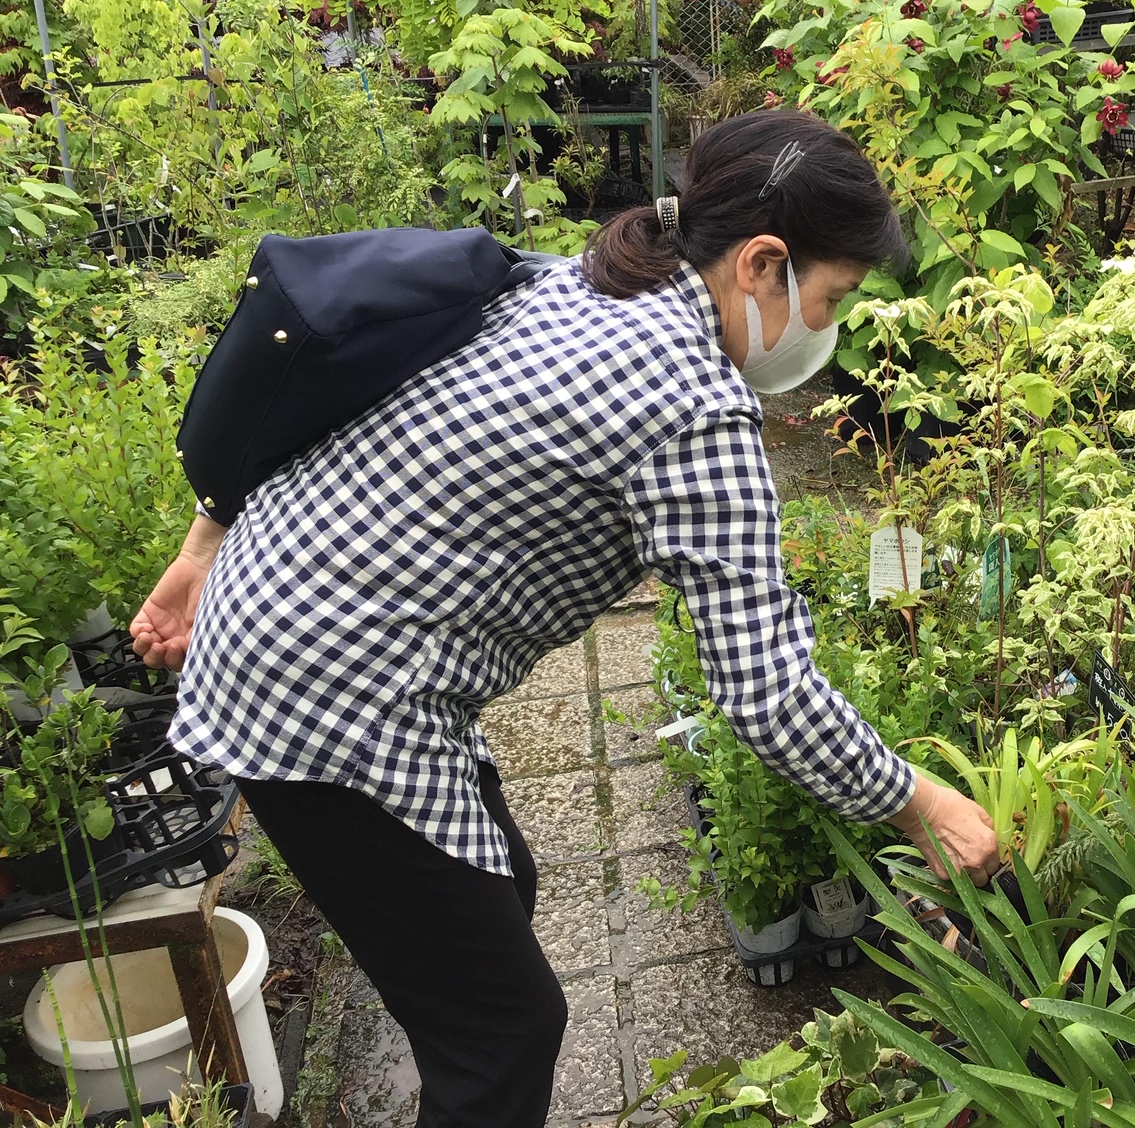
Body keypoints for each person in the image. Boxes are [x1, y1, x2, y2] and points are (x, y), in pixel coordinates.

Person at [129, 110, 1000, 1128]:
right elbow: (766, 692)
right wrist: (923, 804)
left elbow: (326, 380)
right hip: (324, 696)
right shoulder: (693, 406)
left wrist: (203, 548)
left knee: (500, 891)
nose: (830, 325)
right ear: (764, 263)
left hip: (305, 629)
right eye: (833, 295)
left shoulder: (585, 279)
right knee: (505, 1035)